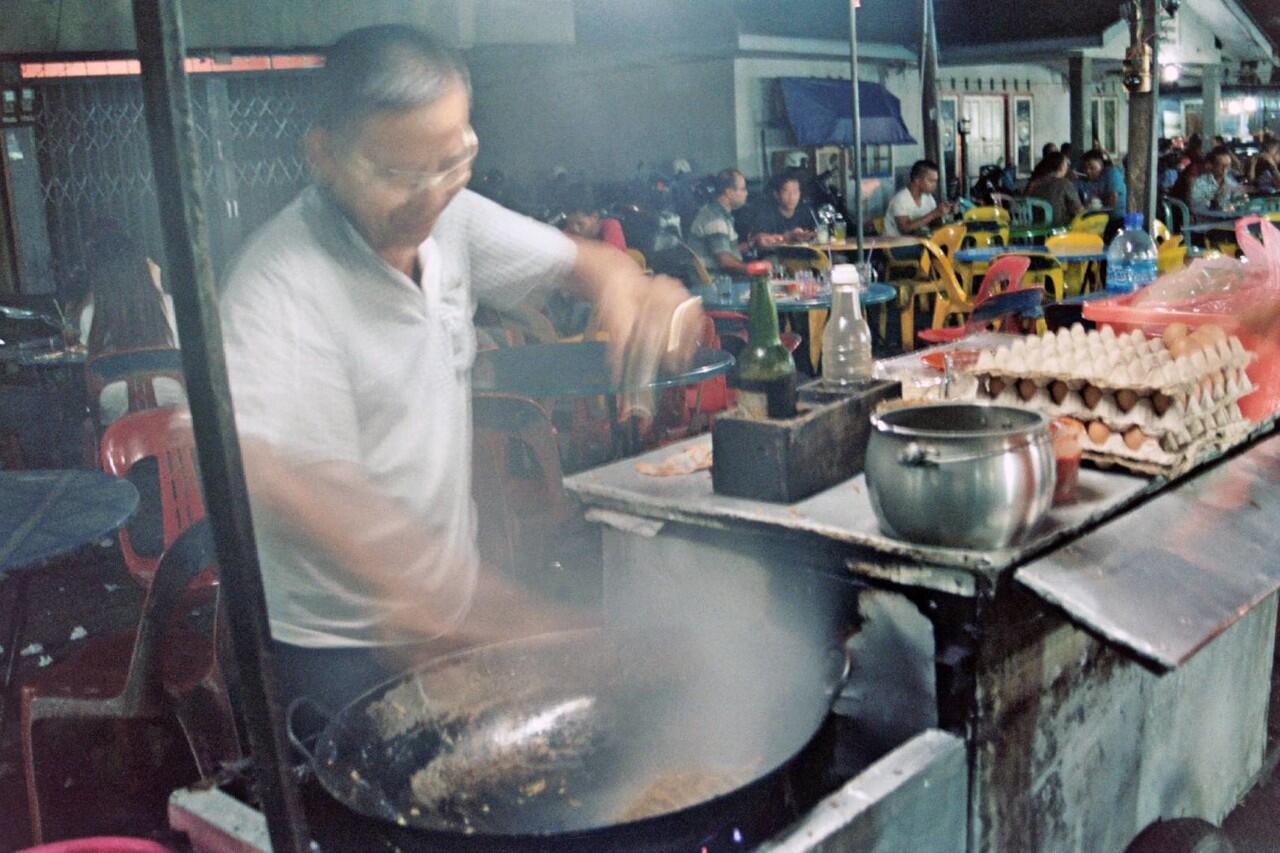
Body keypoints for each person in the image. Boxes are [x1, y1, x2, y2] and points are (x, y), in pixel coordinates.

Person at [219, 25, 702, 710]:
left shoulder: (454, 221)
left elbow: (587, 264)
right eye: (396, 175)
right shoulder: (276, 290)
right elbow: (306, 490)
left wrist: (632, 291)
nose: (428, 196)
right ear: (323, 155)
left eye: (452, 163)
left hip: (450, 614)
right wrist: (522, 624)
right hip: (334, 656)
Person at [78, 228, 186, 426]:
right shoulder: (170, 306)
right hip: (171, 406)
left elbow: (90, 380)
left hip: (116, 418)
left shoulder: (90, 315)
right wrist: (157, 287)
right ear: (142, 270)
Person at [688, 168, 759, 275]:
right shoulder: (715, 220)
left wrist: (752, 244)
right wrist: (754, 270)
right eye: (743, 189)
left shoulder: (717, 213)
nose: (746, 193)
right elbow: (724, 260)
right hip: (715, 284)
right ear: (729, 192)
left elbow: (725, 250)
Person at [742, 172, 816, 246]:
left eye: (795, 192)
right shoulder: (767, 214)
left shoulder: (805, 211)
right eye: (786, 192)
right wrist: (788, 237)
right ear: (776, 195)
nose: (792, 197)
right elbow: (760, 242)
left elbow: (815, 232)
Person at [882, 160, 952, 237]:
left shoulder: (928, 198)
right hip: (897, 245)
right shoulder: (900, 200)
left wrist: (945, 213)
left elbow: (933, 223)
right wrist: (934, 214)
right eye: (931, 181)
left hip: (920, 242)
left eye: (935, 181)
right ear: (917, 180)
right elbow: (905, 229)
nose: (934, 185)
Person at [1025, 152, 1083, 227]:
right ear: (1061, 166)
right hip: (1059, 229)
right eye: (1066, 164)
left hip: (1035, 229)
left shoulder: (1033, 183)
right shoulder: (1064, 183)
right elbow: (1078, 210)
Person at [561, 191, 627, 252]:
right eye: (570, 224)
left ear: (594, 217)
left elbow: (613, 256)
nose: (575, 229)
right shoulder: (569, 232)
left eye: (580, 224)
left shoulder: (611, 226)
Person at [1189, 145, 1244, 211]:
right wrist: (1216, 201)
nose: (1225, 169)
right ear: (1212, 165)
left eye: (1227, 166)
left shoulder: (1230, 182)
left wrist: (1240, 200)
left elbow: (1239, 200)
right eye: (1221, 165)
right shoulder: (1199, 183)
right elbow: (1195, 205)